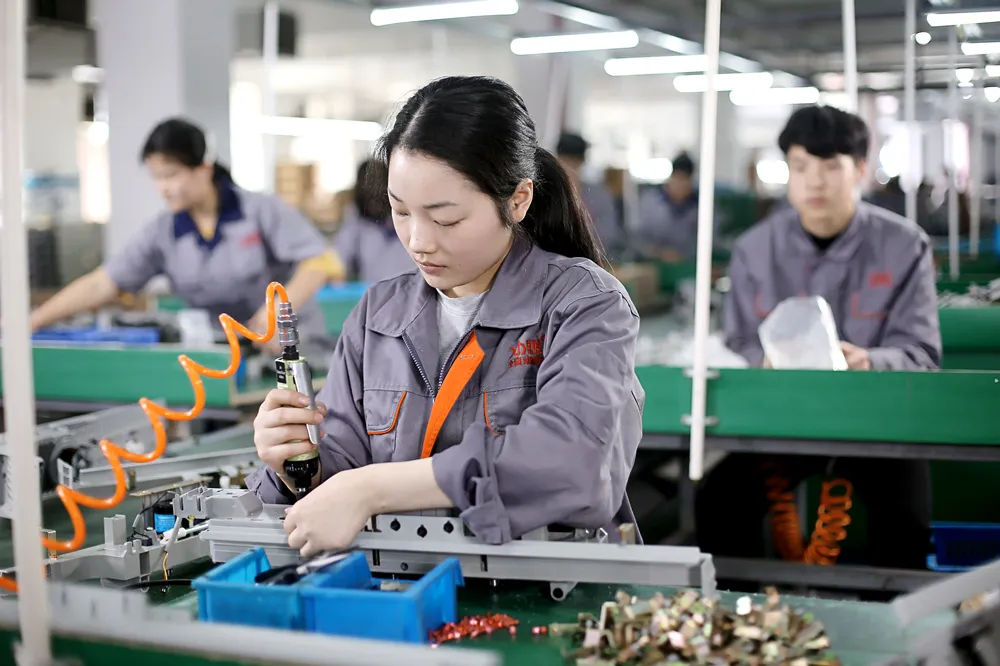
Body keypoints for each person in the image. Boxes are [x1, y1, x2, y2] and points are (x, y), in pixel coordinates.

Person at [247, 75, 644, 557]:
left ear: (518, 200)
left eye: (446, 219)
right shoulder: (379, 315)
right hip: (403, 589)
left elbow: (572, 464)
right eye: (400, 212)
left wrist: (372, 489)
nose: (418, 241)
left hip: (546, 590)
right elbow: (338, 467)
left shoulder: (584, 303)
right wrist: (293, 460)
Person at [698, 105, 939, 572]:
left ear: (861, 171)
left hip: (878, 427)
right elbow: (740, 338)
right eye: (801, 167)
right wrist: (763, 360)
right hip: (781, 426)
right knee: (718, 501)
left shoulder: (905, 246)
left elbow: (922, 353)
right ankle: (742, 620)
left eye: (832, 167)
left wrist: (870, 359)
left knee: (907, 520)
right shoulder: (754, 249)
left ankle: (887, 626)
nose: (815, 182)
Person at [28, 118, 341, 358]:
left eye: (171, 175)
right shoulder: (163, 232)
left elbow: (319, 262)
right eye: (156, 177)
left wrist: (273, 315)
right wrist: (35, 320)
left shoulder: (259, 211)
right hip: (222, 354)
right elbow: (104, 282)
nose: (163, 187)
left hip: (289, 349)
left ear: (203, 169)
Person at [333, 159, 416, 282]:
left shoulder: (408, 214)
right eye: (369, 199)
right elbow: (339, 257)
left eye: (378, 198)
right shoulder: (357, 221)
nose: (374, 205)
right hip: (373, 290)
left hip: (411, 287)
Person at [555, 132, 624, 261]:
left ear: (582, 163)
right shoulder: (545, 195)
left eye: (574, 163)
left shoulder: (600, 197)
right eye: (565, 161)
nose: (569, 168)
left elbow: (606, 239)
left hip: (589, 262)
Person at [636, 152, 700, 262]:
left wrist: (682, 254)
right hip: (651, 263)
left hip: (685, 265)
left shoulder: (699, 206)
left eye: (685, 180)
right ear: (670, 178)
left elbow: (707, 243)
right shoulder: (651, 201)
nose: (680, 186)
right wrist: (658, 252)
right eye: (677, 179)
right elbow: (635, 238)